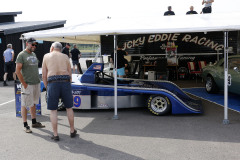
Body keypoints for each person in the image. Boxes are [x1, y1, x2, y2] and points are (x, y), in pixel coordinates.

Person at [42, 42, 76, 141]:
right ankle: (72, 130)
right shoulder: (65, 57)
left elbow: (44, 75)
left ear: (52, 47)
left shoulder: (46, 56)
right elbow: (70, 73)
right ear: (61, 49)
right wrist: (68, 84)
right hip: (65, 82)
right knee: (69, 108)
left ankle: (56, 134)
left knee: (53, 110)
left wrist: (47, 87)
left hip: (52, 83)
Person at [15, 38, 45, 133]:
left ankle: (34, 122)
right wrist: (24, 84)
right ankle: (25, 125)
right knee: (25, 105)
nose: (34, 46)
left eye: (35, 45)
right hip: (27, 84)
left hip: (36, 83)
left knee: (34, 103)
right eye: (32, 44)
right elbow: (17, 71)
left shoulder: (34, 54)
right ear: (27, 43)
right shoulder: (21, 55)